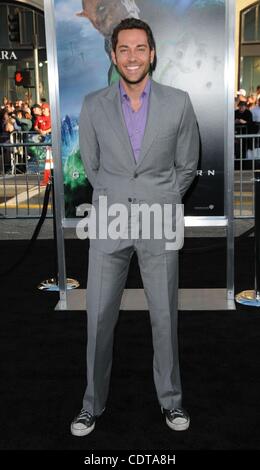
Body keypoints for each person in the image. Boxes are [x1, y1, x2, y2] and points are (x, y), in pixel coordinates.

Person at [71, 18, 199, 437]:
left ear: (153, 53)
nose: (132, 56)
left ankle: (171, 402)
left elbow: (187, 165)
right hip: (109, 222)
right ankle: (92, 405)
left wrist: (160, 200)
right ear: (113, 55)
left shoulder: (178, 102)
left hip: (158, 222)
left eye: (140, 48)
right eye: (124, 49)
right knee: (99, 317)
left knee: (164, 317)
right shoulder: (93, 105)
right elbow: (92, 166)